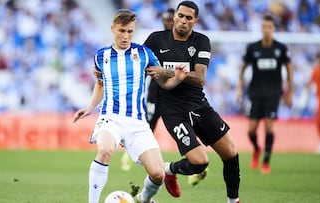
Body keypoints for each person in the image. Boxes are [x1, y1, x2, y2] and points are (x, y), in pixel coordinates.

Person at [72, 9, 187, 203]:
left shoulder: (143, 53)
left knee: (158, 174)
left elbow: (163, 79)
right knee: (105, 150)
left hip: (137, 122)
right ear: (113, 29)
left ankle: (144, 199)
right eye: (122, 31)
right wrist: (90, 107)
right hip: (111, 117)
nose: (126, 36)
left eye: (130, 31)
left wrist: (177, 77)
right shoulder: (101, 57)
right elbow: (101, 83)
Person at [144, 1, 240, 203]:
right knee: (199, 162)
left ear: (195, 21)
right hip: (173, 110)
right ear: (174, 17)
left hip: (199, 105)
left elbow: (200, 77)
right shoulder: (155, 40)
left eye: (189, 18)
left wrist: (167, 71)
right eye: (181, 15)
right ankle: (168, 171)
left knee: (231, 153)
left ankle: (234, 201)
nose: (183, 21)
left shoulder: (201, 41)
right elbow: (139, 66)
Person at [236, 14, 294, 174]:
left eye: (269, 27)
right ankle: (256, 149)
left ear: (273, 28)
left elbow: (289, 68)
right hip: (255, 93)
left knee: (269, 127)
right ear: (261, 28)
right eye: (264, 27)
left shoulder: (280, 48)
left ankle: (266, 161)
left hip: (273, 93)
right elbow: (243, 67)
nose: (267, 30)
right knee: (251, 130)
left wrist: (290, 91)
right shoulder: (253, 48)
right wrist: (239, 87)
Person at [120, 8, 175, 172]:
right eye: (166, 19)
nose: (168, 22)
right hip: (155, 92)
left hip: (174, 94)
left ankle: (192, 161)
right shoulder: (155, 40)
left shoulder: (182, 43)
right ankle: (129, 154)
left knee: (178, 126)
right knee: (148, 126)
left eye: (171, 19)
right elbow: (140, 63)